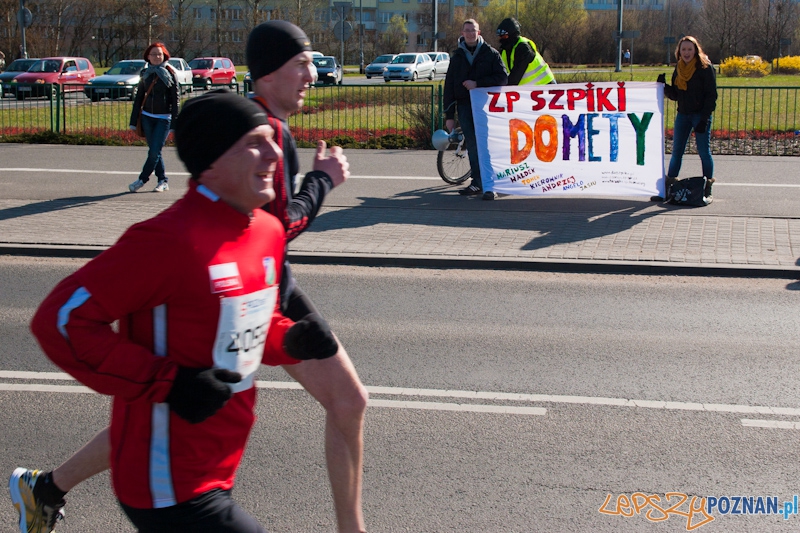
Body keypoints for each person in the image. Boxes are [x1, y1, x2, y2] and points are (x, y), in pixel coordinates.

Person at [8, 22, 369, 533]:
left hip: (215, 467)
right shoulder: (169, 241)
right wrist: (169, 382)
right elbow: (60, 321)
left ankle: (47, 488)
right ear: (213, 164)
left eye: (273, 142)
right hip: (164, 487)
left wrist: (289, 339)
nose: (274, 155)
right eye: (257, 144)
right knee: (347, 400)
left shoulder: (261, 231)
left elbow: (235, 331)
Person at [443, 19, 508, 201]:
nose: (470, 33)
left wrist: (478, 84)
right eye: (467, 30)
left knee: (488, 144)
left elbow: (502, 78)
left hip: (486, 106)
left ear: (479, 33)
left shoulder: (491, 54)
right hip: (465, 106)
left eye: (473, 30)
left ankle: (492, 183)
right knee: (472, 144)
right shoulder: (457, 57)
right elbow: (449, 86)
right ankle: (478, 182)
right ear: (462, 33)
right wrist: (449, 115)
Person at [657, 35, 718, 200]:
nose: (686, 52)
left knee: (703, 151)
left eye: (690, 49)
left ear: (696, 50)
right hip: (683, 114)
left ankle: (706, 187)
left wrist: (704, 119)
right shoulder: (679, 69)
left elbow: (711, 96)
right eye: (683, 49)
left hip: (700, 115)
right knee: (677, 151)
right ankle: (668, 187)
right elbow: (677, 95)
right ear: (679, 52)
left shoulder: (705, 68)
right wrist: (664, 87)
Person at [128, 42, 179, 193]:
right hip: (147, 117)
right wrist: (133, 121)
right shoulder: (145, 73)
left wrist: (174, 123)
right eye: (154, 54)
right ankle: (162, 180)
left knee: (155, 151)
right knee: (154, 151)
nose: (157, 57)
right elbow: (139, 98)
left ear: (164, 56)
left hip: (164, 118)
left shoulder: (170, 73)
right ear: (148, 57)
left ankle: (142, 179)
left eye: (159, 54)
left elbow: (175, 99)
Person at [496, 17, 555, 87]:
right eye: (500, 36)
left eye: (504, 36)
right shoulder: (504, 51)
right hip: (530, 90)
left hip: (546, 85)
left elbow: (515, 78)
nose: (501, 39)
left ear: (512, 34)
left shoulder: (524, 48)